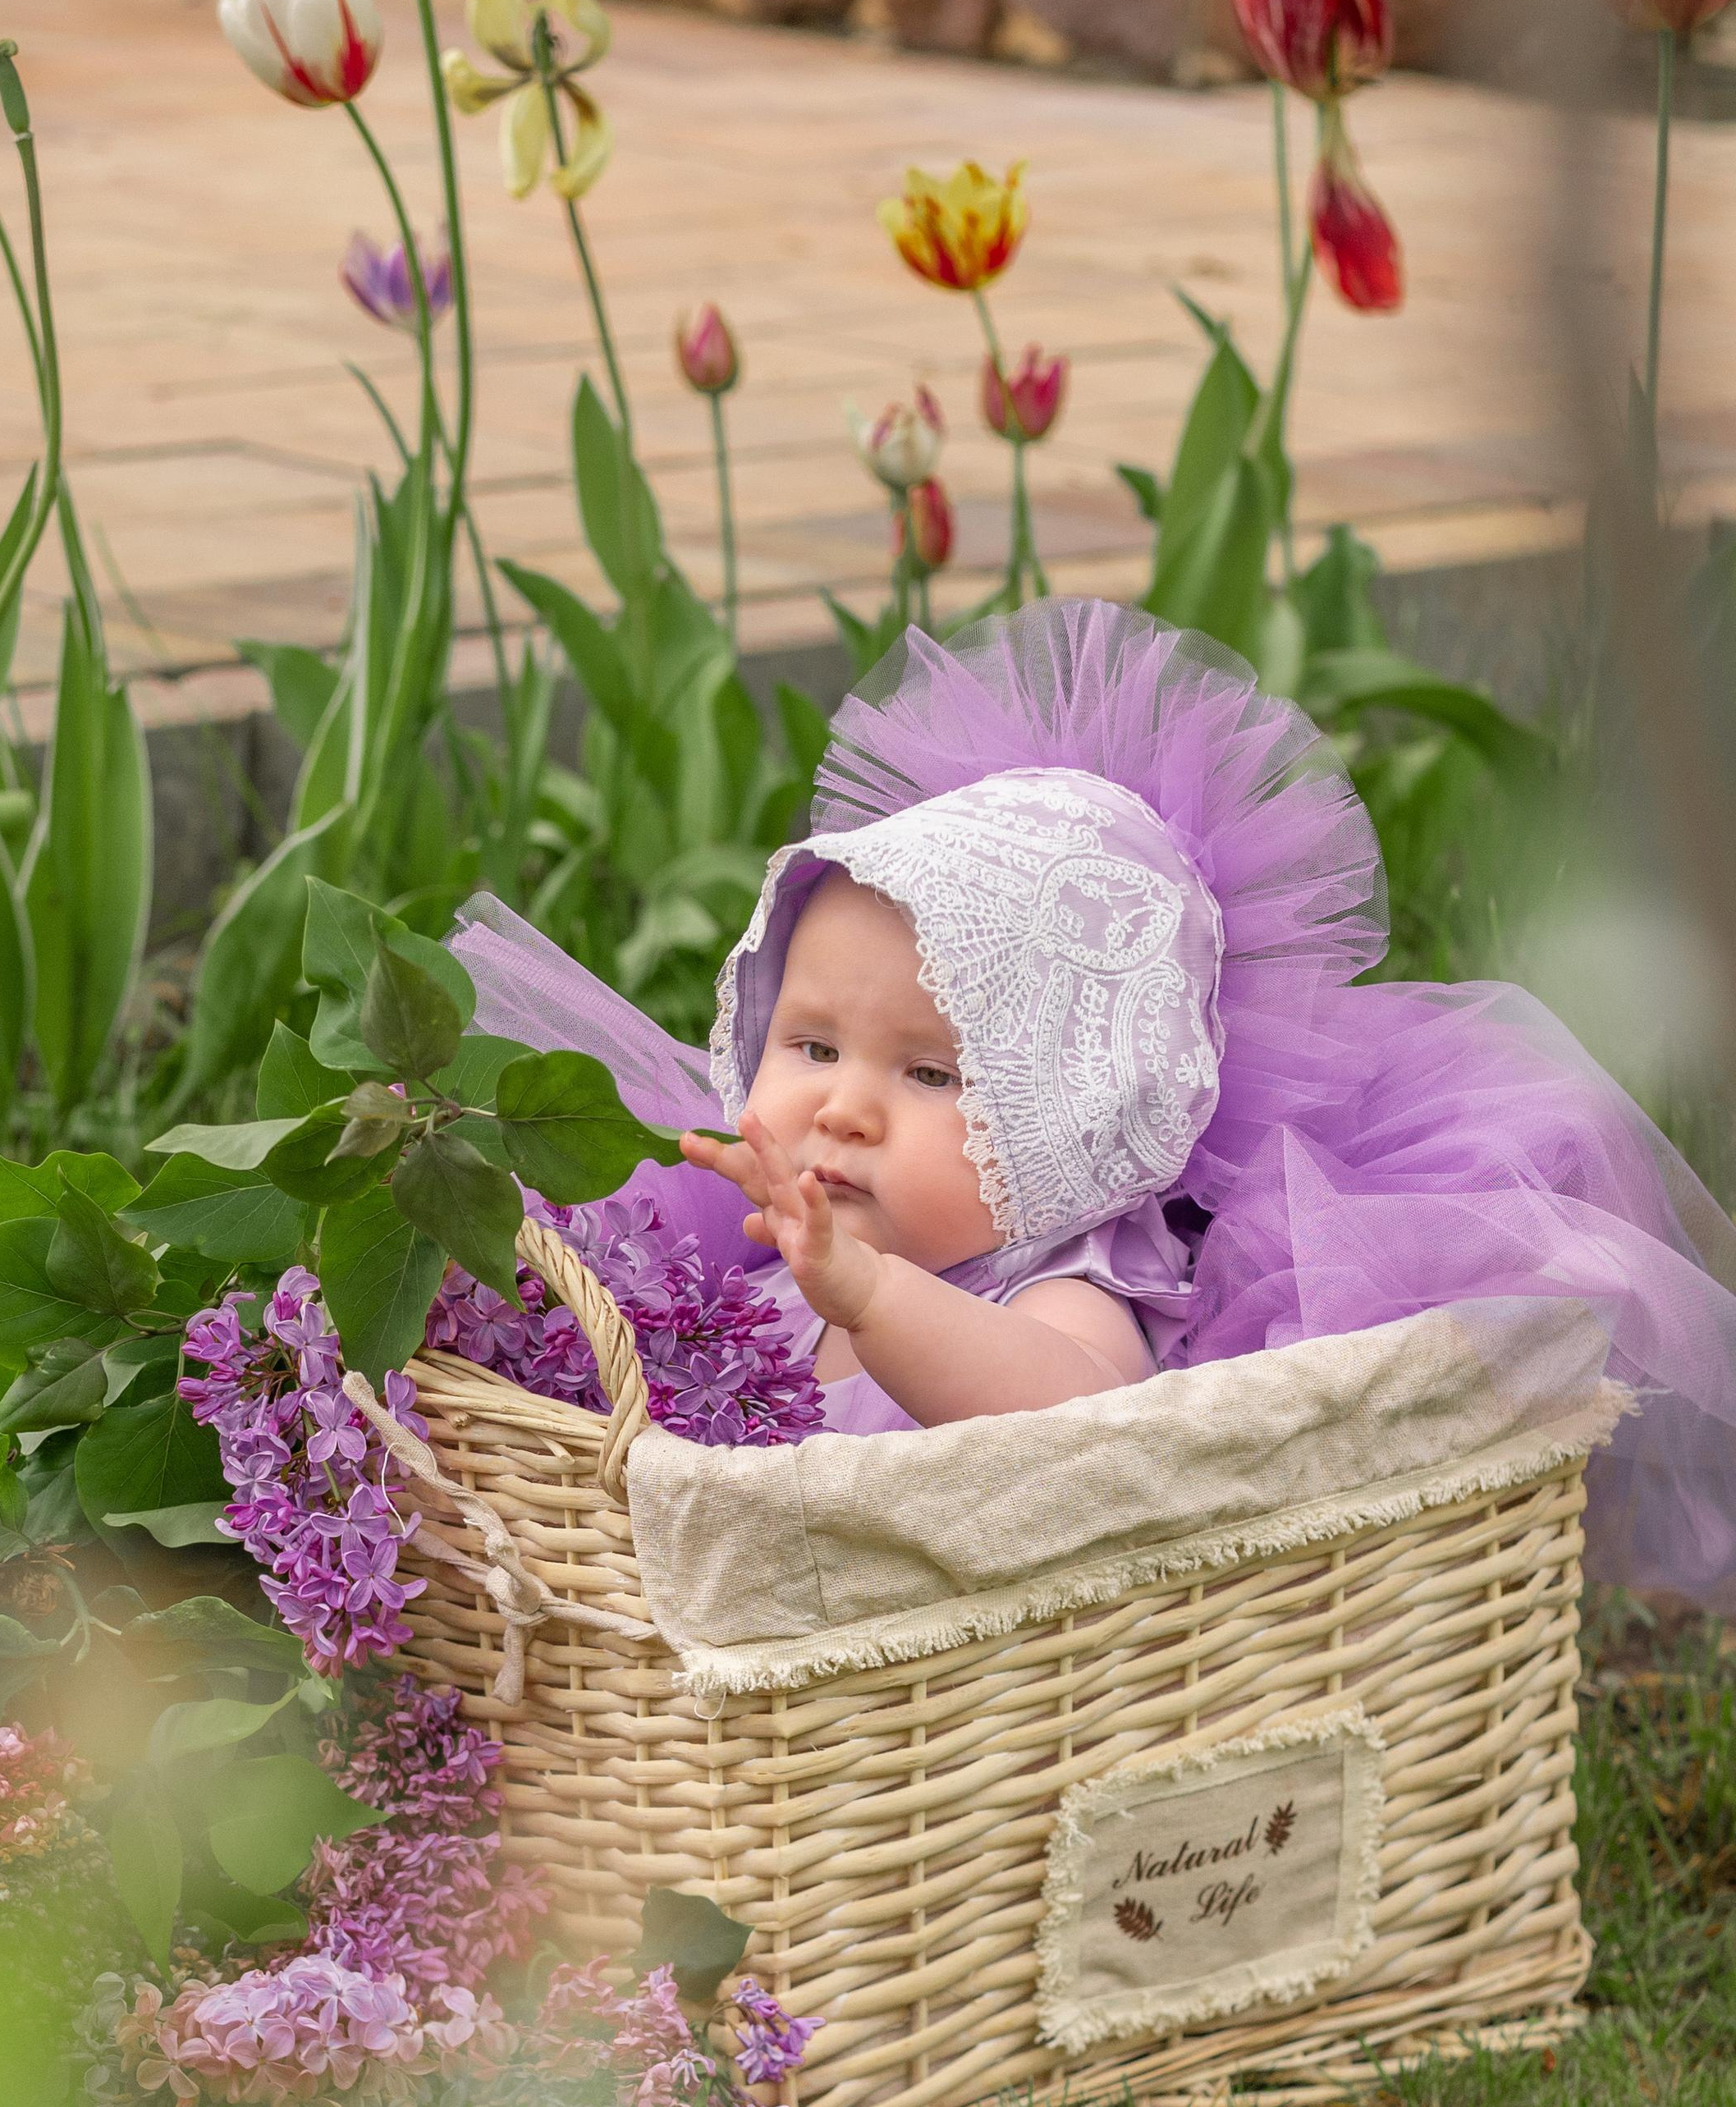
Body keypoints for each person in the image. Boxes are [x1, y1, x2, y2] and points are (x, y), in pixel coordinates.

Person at [455, 597, 1736, 1607]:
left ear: (1075, 1121)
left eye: (932, 1073)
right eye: (809, 1044)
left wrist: (876, 1299)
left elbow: (1083, 1433)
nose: (843, 1110)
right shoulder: (786, 1256)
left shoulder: (1063, 1286)